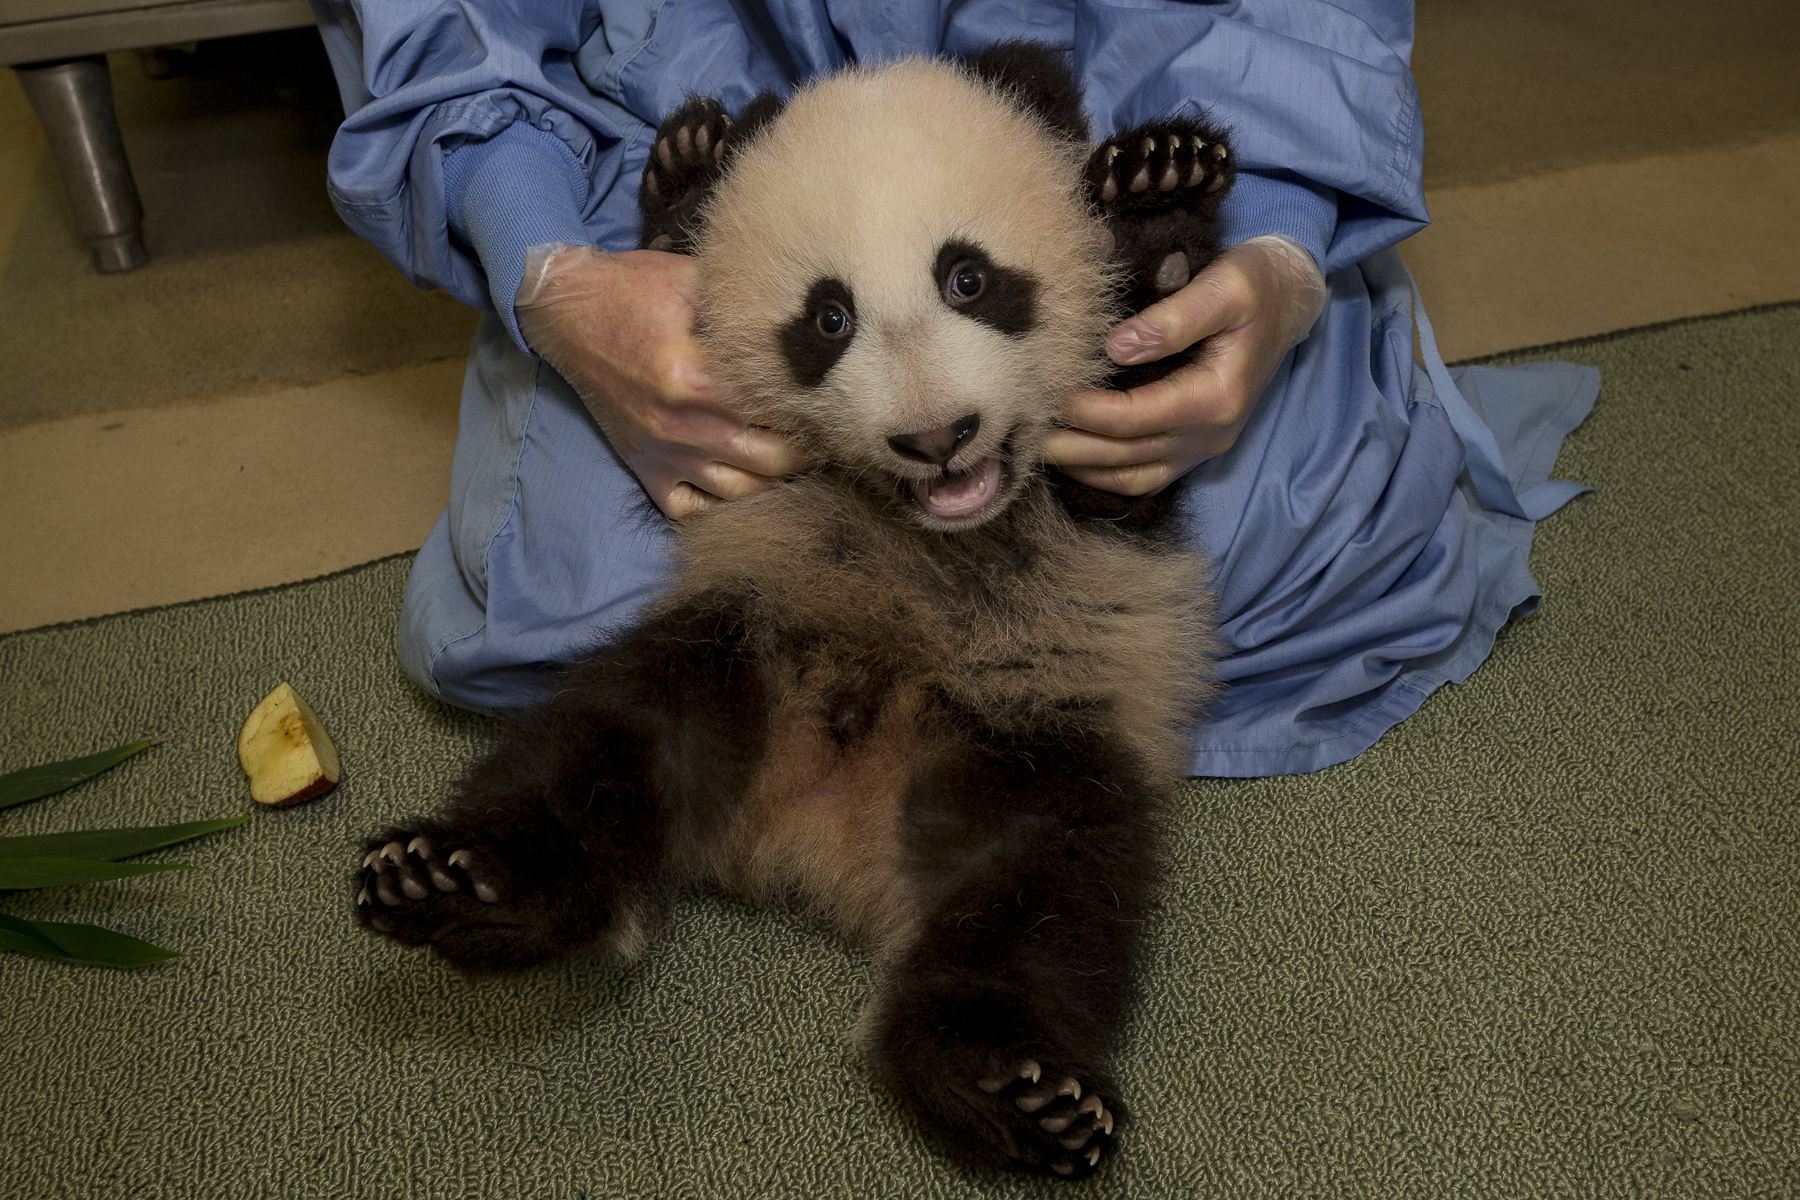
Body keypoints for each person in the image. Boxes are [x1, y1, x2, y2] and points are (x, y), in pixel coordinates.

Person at [307, 0, 1597, 776]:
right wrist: (559, 277)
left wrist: (1274, 243)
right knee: (572, 593)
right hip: (688, 168)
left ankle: (1165, 246)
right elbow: (453, 30)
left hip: (1108, 148)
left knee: (1287, 522)